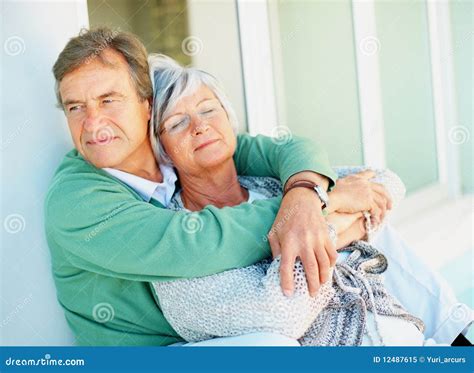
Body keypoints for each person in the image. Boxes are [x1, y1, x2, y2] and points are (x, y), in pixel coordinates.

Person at [46, 27, 349, 346]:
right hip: (153, 353)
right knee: (271, 346)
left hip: (209, 329)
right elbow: (195, 243)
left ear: (146, 106)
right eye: (75, 107)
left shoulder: (168, 147)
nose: (92, 124)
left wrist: (305, 195)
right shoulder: (75, 201)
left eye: (108, 100)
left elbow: (284, 150)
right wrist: (328, 206)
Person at [145, 54, 472, 346]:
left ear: (229, 119)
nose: (200, 126)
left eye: (208, 109)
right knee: (371, 226)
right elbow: (283, 314)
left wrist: (314, 210)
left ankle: (457, 337)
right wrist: (329, 222)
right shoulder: (177, 237)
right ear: (160, 149)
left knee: (381, 227)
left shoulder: (270, 184)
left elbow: (385, 184)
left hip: (408, 335)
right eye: (177, 123)